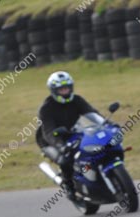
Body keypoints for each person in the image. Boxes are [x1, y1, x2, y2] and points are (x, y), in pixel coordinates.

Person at [37, 71, 99, 200]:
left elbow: (92, 113)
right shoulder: (46, 109)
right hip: (49, 141)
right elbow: (48, 132)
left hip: (71, 133)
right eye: (61, 89)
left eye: (67, 88)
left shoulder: (77, 100)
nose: (65, 91)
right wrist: (60, 145)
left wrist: (107, 124)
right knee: (65, 160)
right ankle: (69, 186)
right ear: (54, 90)